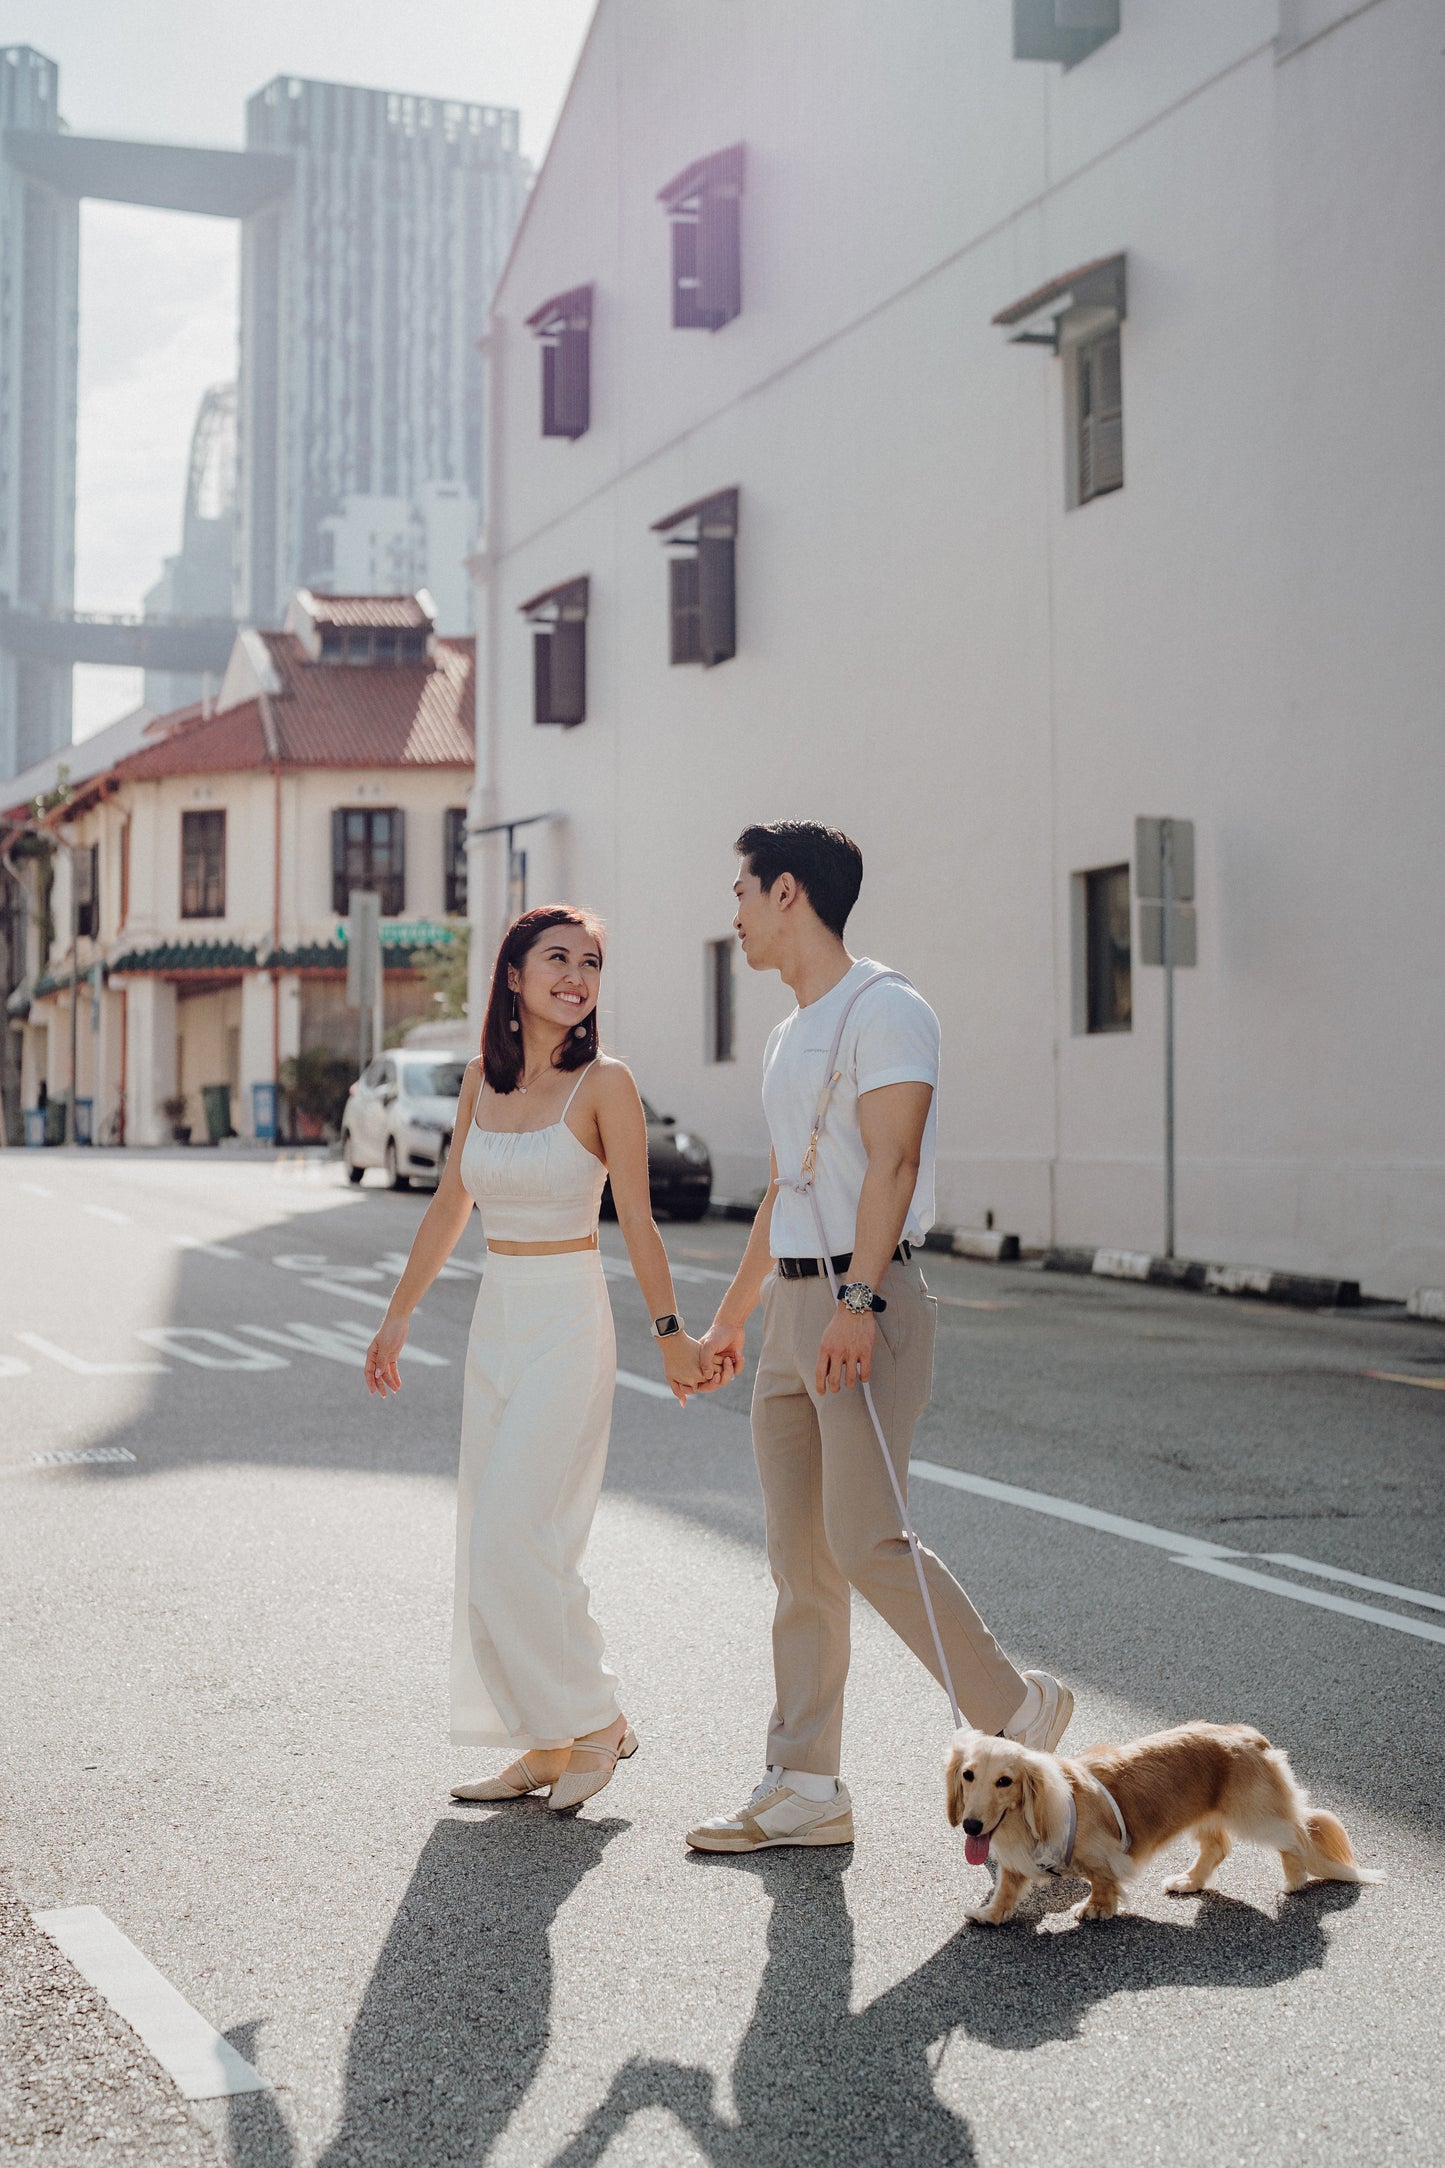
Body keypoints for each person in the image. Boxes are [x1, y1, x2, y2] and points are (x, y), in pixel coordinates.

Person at [687, 822, 1072, 1852]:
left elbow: (892, 1164)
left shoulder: (886, 1008)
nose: (731, 915)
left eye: (740, 892)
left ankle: (1016, 1706)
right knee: (797, 1559)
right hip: (791, 1312)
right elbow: (784, 1185)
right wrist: (735, 1314)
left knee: (862, 1537)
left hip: (868, 1298)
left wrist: (857, 1303)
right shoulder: (783, 1034)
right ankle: (804, 1782)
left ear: (787, 893)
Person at [364, 903, 711, 1811]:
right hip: (497, 1319)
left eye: (591, 963)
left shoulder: (607, 1084)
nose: (577, 975)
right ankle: (545, 1737)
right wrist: (398, 1317)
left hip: (567, 1316)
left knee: (515, 1529)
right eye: (557, 958)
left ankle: (595, 1721)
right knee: (496, 1533)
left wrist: (671, 1337)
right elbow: (450, 1206)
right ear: (512, 975)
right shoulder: (483, 1078)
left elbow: (636, 1220)